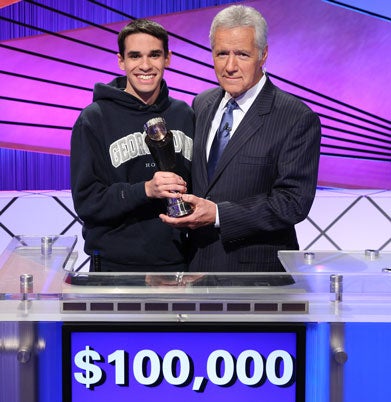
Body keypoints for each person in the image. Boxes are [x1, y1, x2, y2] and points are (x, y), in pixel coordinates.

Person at [160, 5, 321, 278]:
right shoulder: (202, 104)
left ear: (263, 54)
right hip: (196, 269)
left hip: (258, 278)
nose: (230, 66)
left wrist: (219, 214)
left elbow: (293, 203)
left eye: (242, 54)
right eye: (222, 53)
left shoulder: (296, 117)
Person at [71, 19, 194, 272]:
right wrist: (146, 190)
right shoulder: (94, 119)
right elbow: (87, 202)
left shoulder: (185, 114)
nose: (145, 65)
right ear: (121, 61)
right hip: (115, 266)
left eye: (155, 55)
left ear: (167, 59)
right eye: (135, 56)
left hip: (179, 262)